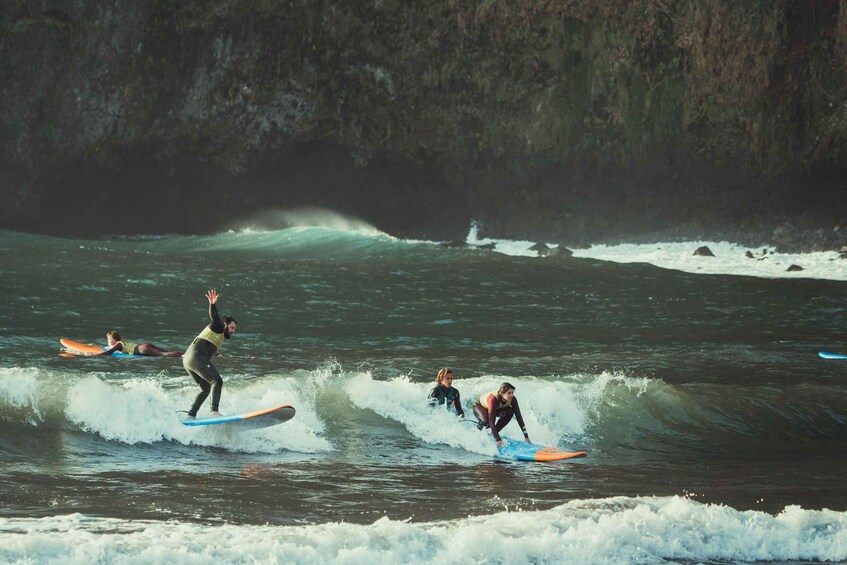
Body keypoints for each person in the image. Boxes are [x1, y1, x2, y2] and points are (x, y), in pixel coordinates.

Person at [183, 289, 237, 418]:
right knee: (217, 381)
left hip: (188, 360)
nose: (233, 331)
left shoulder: (218, 335)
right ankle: (214, 412)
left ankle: (191, 414)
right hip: (196, 357)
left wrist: (217, 353)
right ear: (225, 324)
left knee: (205, 388)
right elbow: (214, 316)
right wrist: (212, 304)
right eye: (232, 328)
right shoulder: (219, 326)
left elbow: (208, 344)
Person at [473, 382, 531, 447]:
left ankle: (493, 435)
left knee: (509, 412)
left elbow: (519, 417)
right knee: (486, 422)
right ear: (502, 393)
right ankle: (477, 434)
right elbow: (492, 421)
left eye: (512, 393)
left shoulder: (512, 399)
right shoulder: (493, 399)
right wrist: (498, 440)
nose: (511, 395)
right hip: (480, 407)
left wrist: (526, 437)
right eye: (509, 393)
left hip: (496, 408)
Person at [100, 331, 183, 357]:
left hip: (142, 349)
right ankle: (183, 353)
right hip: (144, 345)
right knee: (167, 352)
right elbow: (111, 347)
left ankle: (184, 355)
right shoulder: (122, 340)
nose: (107, 341)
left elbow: (108, 352)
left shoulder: (118, 345)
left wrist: (96, 355)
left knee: (163, 354)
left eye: (108, 340)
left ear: (113, 339)